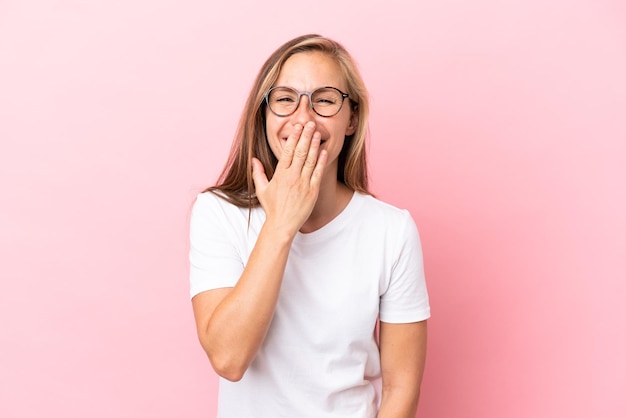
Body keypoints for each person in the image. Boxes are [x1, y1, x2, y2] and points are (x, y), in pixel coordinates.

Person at [189, 34, 430, 418]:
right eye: (285, 99)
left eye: (324, 100)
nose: (303, 118)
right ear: (264, 114)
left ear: (351, 119)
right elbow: (228, 358)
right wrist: (282, 223)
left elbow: (402, 387)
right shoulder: (216, 213)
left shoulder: (392, 230)